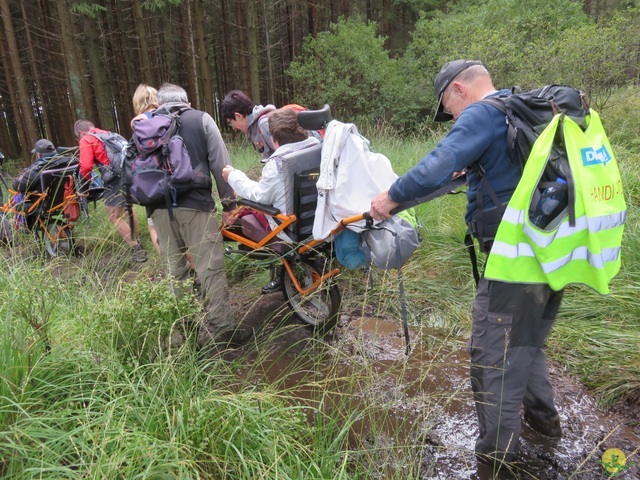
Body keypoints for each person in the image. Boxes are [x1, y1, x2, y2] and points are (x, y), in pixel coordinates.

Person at [369, 60, 563, 471]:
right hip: (553, 248)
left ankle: (495, 462)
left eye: (448, 108)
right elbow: (476, 172)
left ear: (459, 89)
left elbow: (437, 163)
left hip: (516, 259)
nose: (452, 117)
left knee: (493, 357)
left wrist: (390, 196)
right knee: (525, 342)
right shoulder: (524, 110)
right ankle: (545, 426)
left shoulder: (483, 113)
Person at [151, 82, 248, 348]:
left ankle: (185, 335)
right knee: (209, 267)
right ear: (186, 101)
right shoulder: (200, 119)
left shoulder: (148, 124)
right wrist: (229, 205)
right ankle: (223, 328)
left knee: (175, 272)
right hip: (195, 205)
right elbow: (220, 163)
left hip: (159, 208)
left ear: (160, 102)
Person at [221, 108, 320, 293]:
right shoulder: (317, 147)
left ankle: (269, 260)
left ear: (274, 139)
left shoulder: (278, 163)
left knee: (246, 212)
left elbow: (260, 196)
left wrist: (233, 176)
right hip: (318, 219)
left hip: (289, 228)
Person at [74, 119, 147, 262]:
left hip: (114, 179)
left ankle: (137, 249)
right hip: (129, 173)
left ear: (81, 132)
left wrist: (83, 188)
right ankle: (138, 239)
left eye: (78, 137)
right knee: (127, 209)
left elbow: (86, 166)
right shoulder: (110, 134)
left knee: (114, 215)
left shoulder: (87, 140)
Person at [220, 90, 277, 160]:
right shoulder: (254, 128)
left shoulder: (264, 124)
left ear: (238, 116)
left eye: (231, 123)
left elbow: (285, 154)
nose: (233, 128)